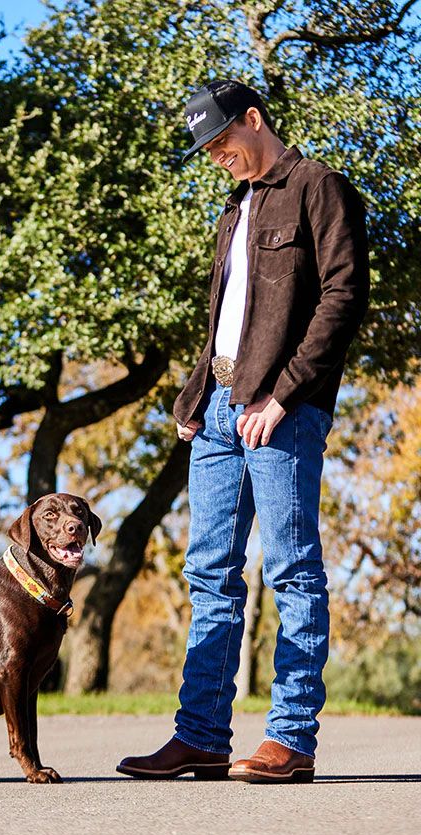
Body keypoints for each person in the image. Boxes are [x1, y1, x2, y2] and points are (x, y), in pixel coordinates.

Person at [117, 79, 370, 783]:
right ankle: (199, 735)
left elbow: (344, 300)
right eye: (207, 151)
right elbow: (224, 321)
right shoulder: (235, 207)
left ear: (253, 120)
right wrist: (197, 395)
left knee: (290, 569)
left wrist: (283, 397)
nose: (215, 158)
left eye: (221, 143)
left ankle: (291, 738)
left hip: (282, 412)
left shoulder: (319, 186)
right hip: (222, 411)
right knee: (210, 574)